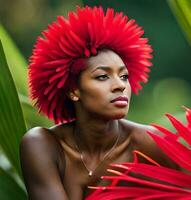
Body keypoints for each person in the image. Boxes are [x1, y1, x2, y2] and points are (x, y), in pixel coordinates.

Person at [20, 6, 177, 200]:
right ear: (73, 91)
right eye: (103, 77)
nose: (119, 85)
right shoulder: (43, 145)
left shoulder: (152, 143)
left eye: (124, 76)